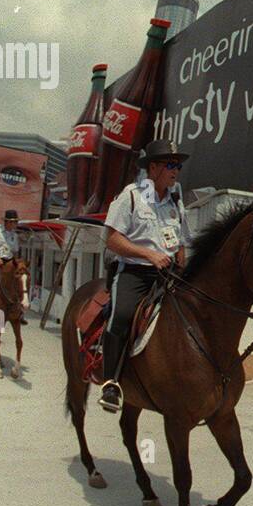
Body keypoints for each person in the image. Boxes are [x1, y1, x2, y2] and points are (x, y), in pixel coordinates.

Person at [98, 139, 191, 413]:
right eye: (171, 164)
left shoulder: (176, 202)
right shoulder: (131, 196)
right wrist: (148, 255)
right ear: (153, 167)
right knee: (122, 315)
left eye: (179, 165)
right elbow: (112, 240)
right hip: (135, 274)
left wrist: (181, 262)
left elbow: (182, 243)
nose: (176, 170)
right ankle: (111, 382)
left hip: (169, 276)